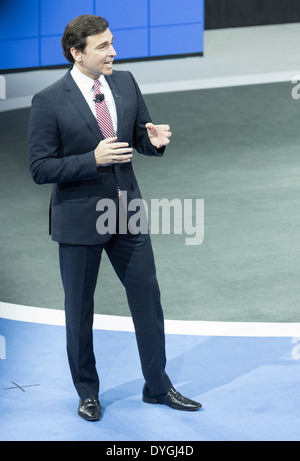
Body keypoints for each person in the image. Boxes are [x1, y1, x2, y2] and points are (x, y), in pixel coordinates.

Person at [28, 14, 201, 421]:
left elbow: (137, 136)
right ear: (77, 52)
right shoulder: (49, 100)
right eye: (103, 46)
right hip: (78, 220)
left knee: (147, 299)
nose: (113, 52)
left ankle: (157, 386)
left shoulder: (124, 82)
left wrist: (152, 140)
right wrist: (91, 159)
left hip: (127, 213)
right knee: (79, 310)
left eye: (112, 43)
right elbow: (40, 167)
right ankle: (88, 392)